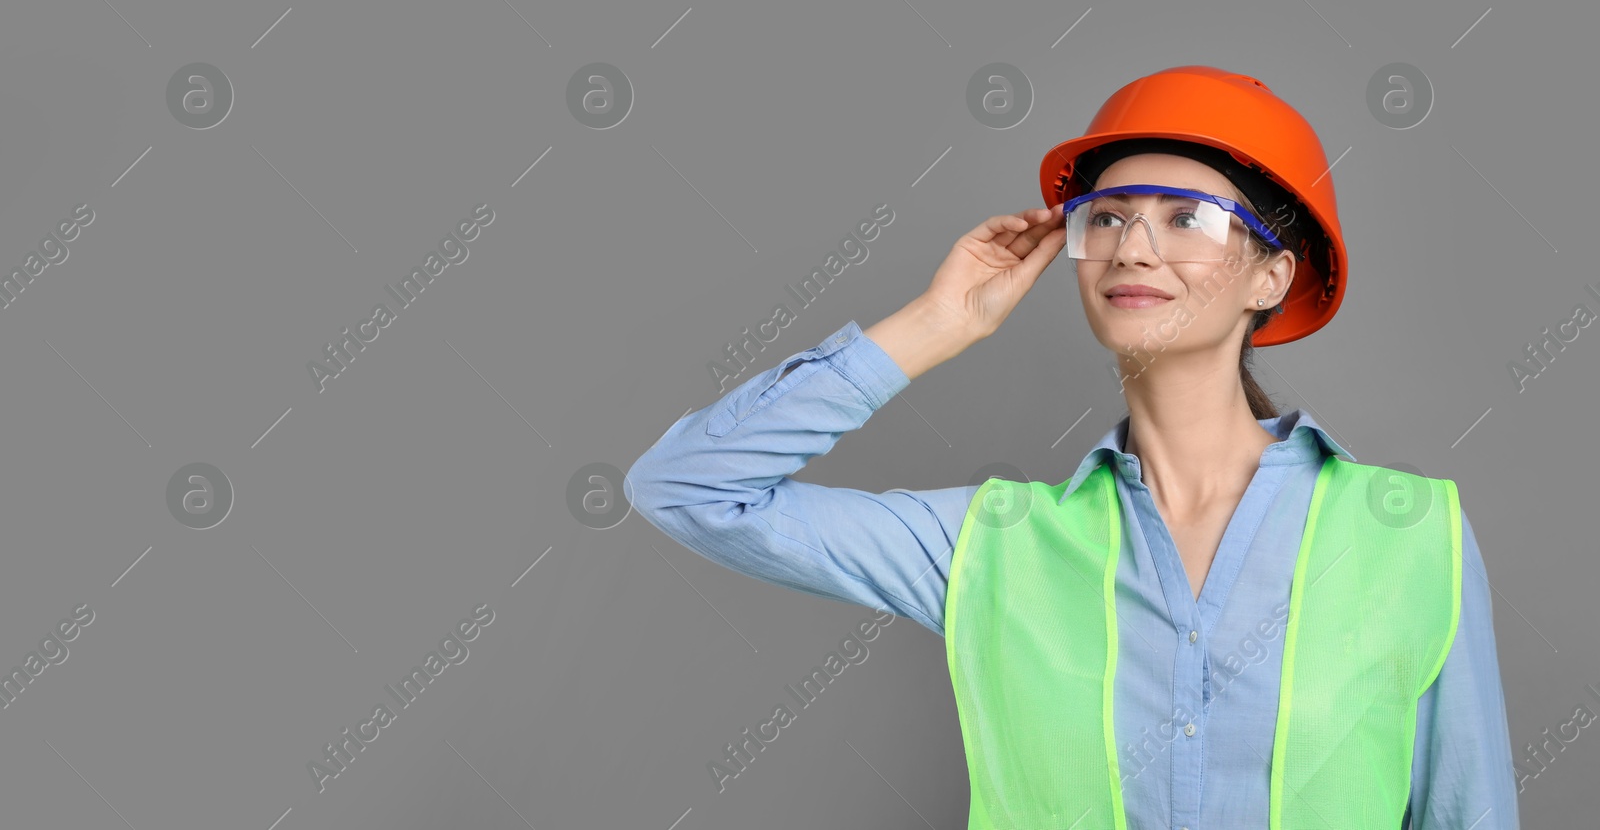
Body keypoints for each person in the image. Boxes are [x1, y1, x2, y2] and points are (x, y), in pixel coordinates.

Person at [624, 65, 1519, 829]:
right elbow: (686, 488)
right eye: (1108, 217)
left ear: (1271, 275)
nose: (1134, 246)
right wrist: (936, 324)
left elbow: (1468, 811)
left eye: (1187, 219)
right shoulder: (991, 548)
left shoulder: (1409, 534)